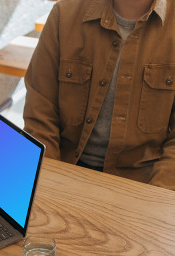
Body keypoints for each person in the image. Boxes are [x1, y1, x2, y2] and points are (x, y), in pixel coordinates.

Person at [23, 0, 175, 190]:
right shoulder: (65, 14)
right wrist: (50, 183)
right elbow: (40, 114)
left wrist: (155, 197)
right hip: (65, 168)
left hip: (142, 181)